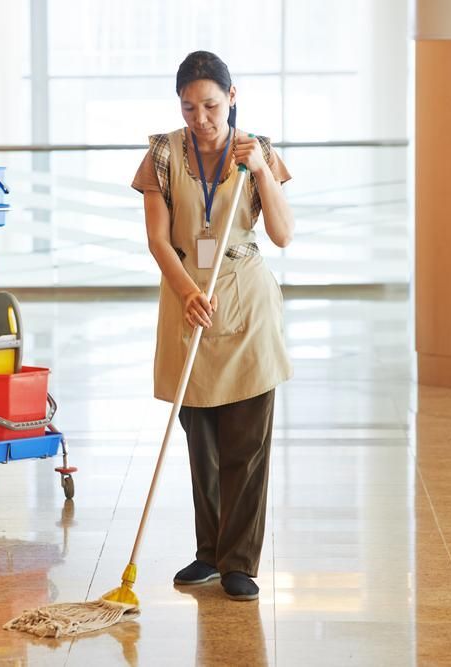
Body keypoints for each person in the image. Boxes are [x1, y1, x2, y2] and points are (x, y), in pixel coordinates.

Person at [131, 50, 294, 601]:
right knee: (201, 440)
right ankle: (210, 552)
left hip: (245, 304)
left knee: (247, 442)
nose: (200, 118)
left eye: (210, 105)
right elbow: (158, 239)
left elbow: (283, 234)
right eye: (188, 107)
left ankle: (238, 561)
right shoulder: (163, 152)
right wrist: (186, 292)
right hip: (188, 301)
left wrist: (263, 170)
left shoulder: (257, 150)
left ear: (232, 97)